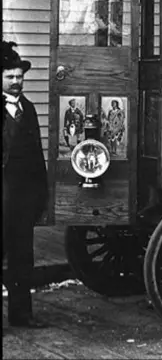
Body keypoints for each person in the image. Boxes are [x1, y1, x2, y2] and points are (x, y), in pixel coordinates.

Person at [2, 41, 49, 328]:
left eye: (20, 77)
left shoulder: (28, 109)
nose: (16, 82)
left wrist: (40, 195)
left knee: (22, 256)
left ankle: (21, 315)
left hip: (23, 196)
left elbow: (36, 154)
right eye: (10, 77)